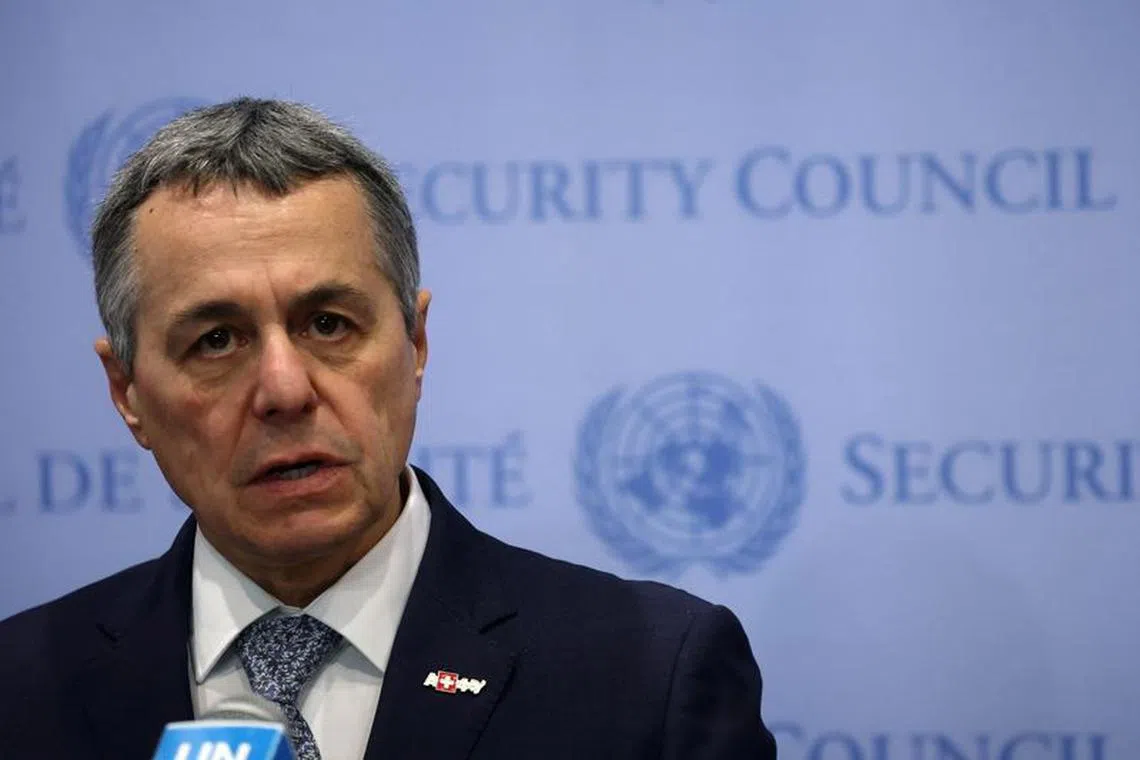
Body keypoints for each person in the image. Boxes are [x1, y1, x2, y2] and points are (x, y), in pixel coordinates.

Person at [0, 98, 778, 759]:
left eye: (329, 324)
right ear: (127, 392)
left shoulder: (648, 674)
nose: (283, 390)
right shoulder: (21, 689)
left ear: (416, 345)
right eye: (217, 340)